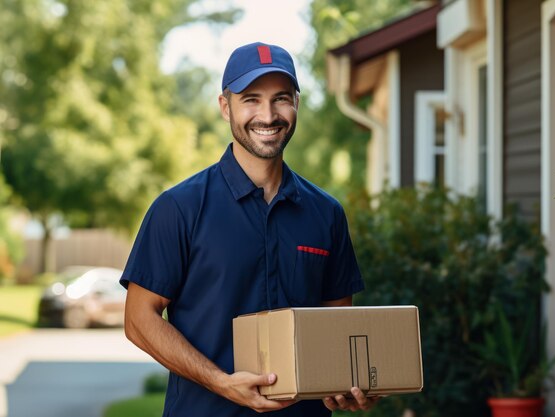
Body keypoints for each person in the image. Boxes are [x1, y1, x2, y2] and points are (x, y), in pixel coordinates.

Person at [121, 42, 379, 416]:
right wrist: (220, 381)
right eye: (251, 99)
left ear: (296, 104)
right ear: (226, 107)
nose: (268, 114)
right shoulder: (178, 208)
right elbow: (138, 320)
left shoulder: (326, 213)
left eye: (281, 99)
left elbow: (336, 330)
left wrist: (348, 385)